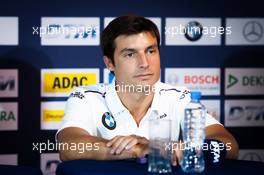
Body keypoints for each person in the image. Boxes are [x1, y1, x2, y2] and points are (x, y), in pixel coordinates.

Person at [56, 15, 238, 165]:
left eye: (150, 51)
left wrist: (189, 149)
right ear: (109, 63)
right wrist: (142, 149)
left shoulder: (179, 97)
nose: (144, 64)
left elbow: (229, 145)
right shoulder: (86, 97)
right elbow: (69, 147)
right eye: (130, 54)